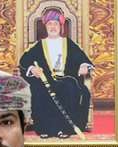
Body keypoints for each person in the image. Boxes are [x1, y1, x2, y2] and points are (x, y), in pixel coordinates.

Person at [19, 8, 93, 139]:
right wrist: (32, 69)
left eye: (55, 24)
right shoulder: (39, 45)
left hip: (66, 79)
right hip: (45, 81)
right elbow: (24, 61)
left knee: (70, 88)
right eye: (50, 24)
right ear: (46, 26)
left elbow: (82, 59)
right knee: (39, 91)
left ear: (61, 26)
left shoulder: (68, 43)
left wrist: (83, 66)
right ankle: (46, 128)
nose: (53, 27)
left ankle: (65, 128)